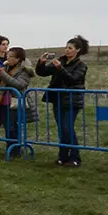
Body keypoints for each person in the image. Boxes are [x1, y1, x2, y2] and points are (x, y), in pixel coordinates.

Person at [36, 35, 89, 167]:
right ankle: (63, 156)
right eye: (66, 47)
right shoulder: (60, 61)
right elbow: (43, 72)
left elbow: (73, 79)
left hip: (72, 100)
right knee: (62, 129)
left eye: (70, 48)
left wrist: (60, 69)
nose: (67, 50)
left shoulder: (81, 65)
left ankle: (75, 157)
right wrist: (41, 63)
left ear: (77, 50)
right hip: (57, 99)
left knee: (68, 128)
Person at [0, 47, 34, 159]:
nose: (7, 58)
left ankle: (15, 150)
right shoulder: (5, 67)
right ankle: (10, 148)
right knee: (6, 126)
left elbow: (19, 85)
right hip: (3, 101)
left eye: (11, 57)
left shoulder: (25, 70)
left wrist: (3, 75)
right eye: (7, 56)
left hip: (15, 102)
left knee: (12, 126)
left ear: (18, 59)